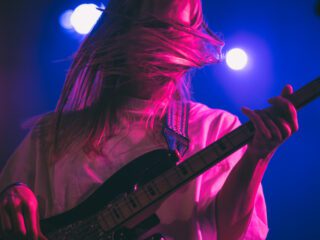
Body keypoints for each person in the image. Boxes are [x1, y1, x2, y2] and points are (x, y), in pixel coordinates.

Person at [0, 0, 298, 239]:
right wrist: (9, 197)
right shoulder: (51, 136)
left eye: (177, 31)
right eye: (154, 27)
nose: (166, 45)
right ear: (121, 31)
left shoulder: (217, 130)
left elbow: (231, 234)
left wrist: (257, 158)